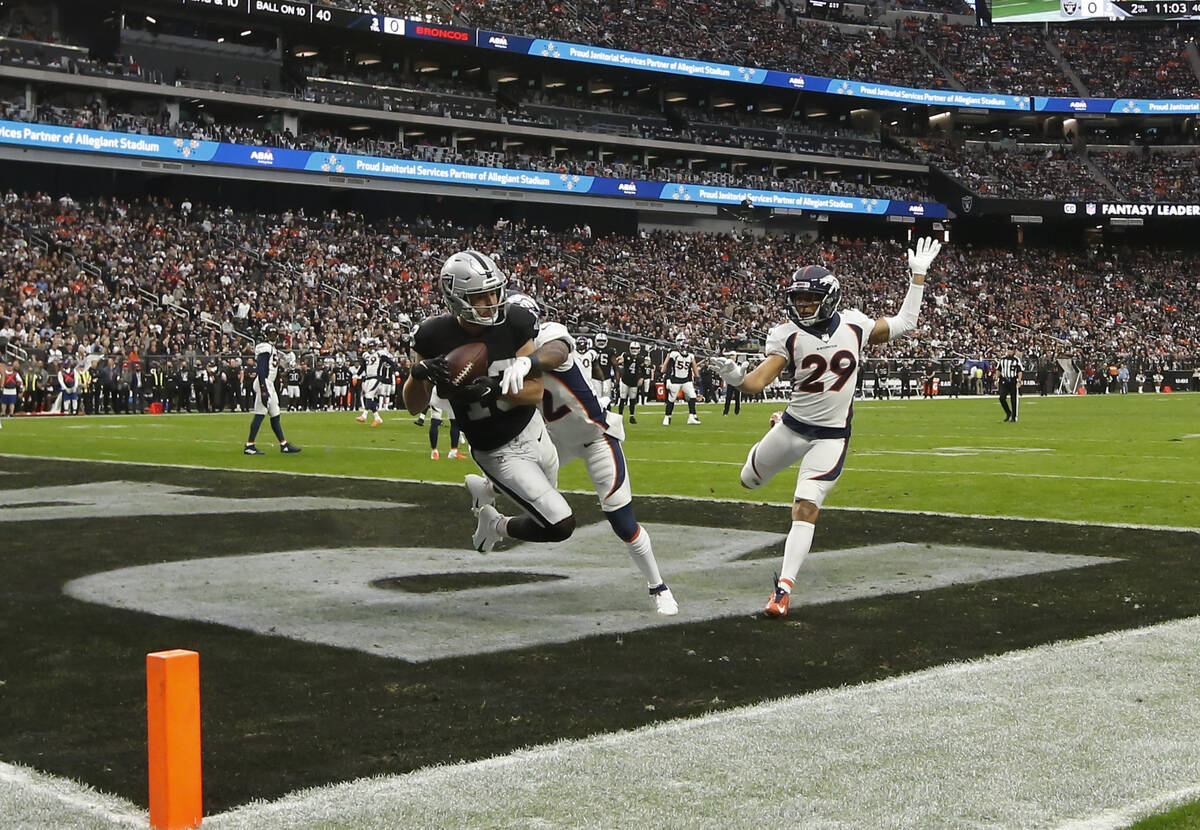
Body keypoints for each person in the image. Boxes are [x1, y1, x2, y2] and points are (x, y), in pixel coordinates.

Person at [709, 237, 943, 618]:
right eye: (797, 299)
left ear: (830, 298)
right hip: (791, 428)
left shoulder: (855, 324)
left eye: (808, 299)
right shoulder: (786, 334)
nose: (801, 305)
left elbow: (906, 323)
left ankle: (783, 591)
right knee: (748, 481)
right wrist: (736, 376)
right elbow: (757, 382)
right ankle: (771, 429)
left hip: (830, 438)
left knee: (805, 507)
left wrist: (918, 276)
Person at [492, 307, 678, 615]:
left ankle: (658, 587)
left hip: (596, 438)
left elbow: (557, 351)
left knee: (622, 522)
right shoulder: (502, 353)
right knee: (510, 479)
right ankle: (493, 520)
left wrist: (528, 361)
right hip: (553, 442)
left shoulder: (548, 336)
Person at [403, 249, 575, 552]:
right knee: (559, 524)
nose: (492, 303)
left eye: (494, 293)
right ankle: (494, 523)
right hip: (496, 451)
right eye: (480, 297)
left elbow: (535, 392)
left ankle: (484, 488)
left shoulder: (515, 322)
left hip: (533, 431)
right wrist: (418, 375)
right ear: (455, 298)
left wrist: (496, 389)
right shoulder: (433, 335)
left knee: (543, 509)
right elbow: (413, 406)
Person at [244, 323, 302, 455]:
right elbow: (261, 368)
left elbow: (276, 363)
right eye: (271, 334)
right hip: (263, 382)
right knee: (260, 413)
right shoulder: (264, 347)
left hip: (269, 383)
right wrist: (264, 389)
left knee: (275, 414)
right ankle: (249, 445)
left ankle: (284, 445)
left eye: (275, 334)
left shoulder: (271, 348)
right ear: (264, 334)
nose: (273, 336)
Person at [661, 334, 701, 425]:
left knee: (692, 396)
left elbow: (694, 366)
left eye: (686, 347)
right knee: (671, 399)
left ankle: (691, 417)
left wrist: (697, 377)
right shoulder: (674, 354)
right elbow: (668, 368)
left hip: (686, 380)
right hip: (675, 380)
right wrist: (667, 379)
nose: (684, 349)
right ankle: (667, 417)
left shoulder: (691, 355)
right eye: (683, 347)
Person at [615, 341, 644, 424]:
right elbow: (619, 361)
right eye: (633, 348)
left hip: (634, 381)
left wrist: (641, 378)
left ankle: (631, 417)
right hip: (625, 380)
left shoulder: (641, 358)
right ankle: (620, 417)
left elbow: (643, 370)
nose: (634, 350)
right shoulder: (626, 355)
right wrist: (620, 359)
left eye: (636, 348)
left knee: (632, 399)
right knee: (622, 398)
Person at [997, 347, 1023, 422]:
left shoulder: (1016, 360)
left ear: (1013, 351)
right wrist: (996, 378)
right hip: (1004, 380)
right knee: (1002, 398)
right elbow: (999, 369)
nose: (1009, 352)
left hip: (1012, 381)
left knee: (1013, 399)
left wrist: (1019, 381)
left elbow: (1020, 371)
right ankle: (1008, 412)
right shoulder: (1002, 359)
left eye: (1011, 350)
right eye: (1008, 350)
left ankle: (1014, 417)